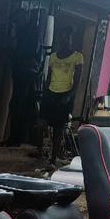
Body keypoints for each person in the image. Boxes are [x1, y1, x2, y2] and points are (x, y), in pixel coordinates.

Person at [39, 26, 83, 166]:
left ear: (71, 39)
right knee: (41, 122)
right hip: (51, 92)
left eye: (67, 37)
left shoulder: (77, 57)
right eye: (62, 37)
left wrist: (69, 96)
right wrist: (44, 92)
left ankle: (53, 158)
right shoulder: (53, 57)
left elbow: (77, 80)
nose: (64, 40)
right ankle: (40, 152)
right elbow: (49, 77)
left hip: (65, 94)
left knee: (58, 128)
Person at [6, 9, 41, 147]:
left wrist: (13, 54)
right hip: (23, 71)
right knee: (19, 104)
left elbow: (29, 52)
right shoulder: (26, 31)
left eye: (18, 19)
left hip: (26, 71)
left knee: (17, 104)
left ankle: (16, 138)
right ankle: (16, 137)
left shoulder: (31, 31)